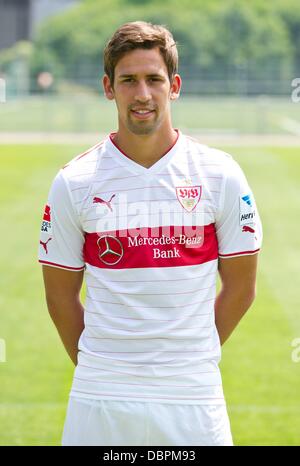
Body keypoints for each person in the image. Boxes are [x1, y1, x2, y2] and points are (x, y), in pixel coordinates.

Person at [38, 21, 262, 446]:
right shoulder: (75, 181)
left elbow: (241, 288)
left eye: (153, 80)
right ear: (109, 87)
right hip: (100, 398)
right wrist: (104, 367)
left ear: (174, 85)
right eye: (128, 81)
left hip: (193, 398)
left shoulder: (220, 174)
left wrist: (187, 357)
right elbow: (60, 298)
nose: (142, 94)